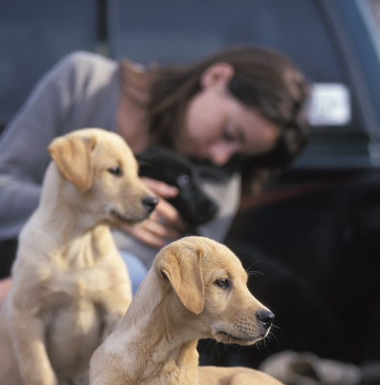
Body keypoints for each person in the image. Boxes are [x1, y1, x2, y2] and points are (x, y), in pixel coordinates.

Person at [0, 46, 309, 300]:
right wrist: (94, 205)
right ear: (216, 77)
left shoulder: (213, 190)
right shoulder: (84, 83)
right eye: (229, 133)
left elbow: (146, 278)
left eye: (240, 155)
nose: (220, 157)